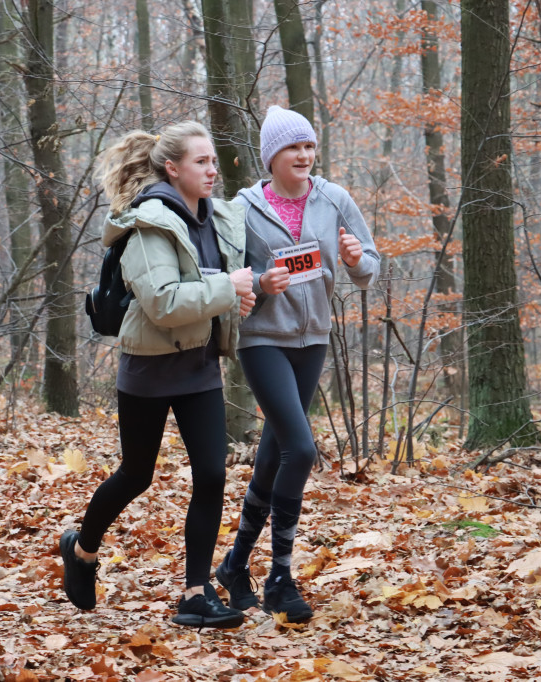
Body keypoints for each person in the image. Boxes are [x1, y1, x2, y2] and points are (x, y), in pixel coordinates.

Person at [59, 121, 257, 629]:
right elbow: (165, 302)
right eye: (201, 162)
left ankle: (195, 594)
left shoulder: (213, 220)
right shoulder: (148, 225)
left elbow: (212, 286)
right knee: (136, 475)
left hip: (199, 366)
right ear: (173, 168)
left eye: (214, 161)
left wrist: (244, 293)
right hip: (150, 369)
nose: (213, 170)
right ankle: (80, 550)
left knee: (212, 475)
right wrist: (229, 289)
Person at [215, 106, 380, 623]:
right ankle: (280, 576)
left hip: (313, 340)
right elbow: (224, 275)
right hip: (262, 338)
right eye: (294, 149)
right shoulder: (242, 208)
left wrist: (355, 260)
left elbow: (369, 267)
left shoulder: (335, 200)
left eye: (309, 147)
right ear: (272, 158)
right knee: (302, 450)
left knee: (276, 451)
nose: (305, 156)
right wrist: (260, 284)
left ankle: (236, 564)